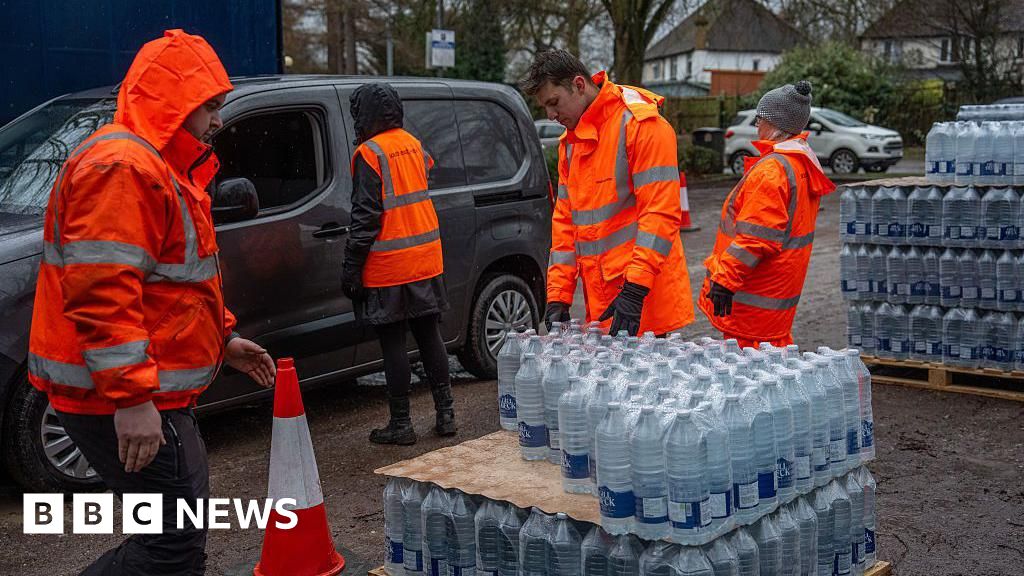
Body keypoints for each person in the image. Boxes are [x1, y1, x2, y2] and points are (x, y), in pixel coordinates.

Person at [27, 30, 275, 575]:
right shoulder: (125, 167)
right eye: (209, 106)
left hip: (136, 390)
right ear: (173, 102)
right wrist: (132, 400)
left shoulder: (154, 166)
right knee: (171, 548)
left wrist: (223, 338)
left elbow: (173, 285)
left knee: (173, 541)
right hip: (123, 395)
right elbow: (103, 293)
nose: (216, 121)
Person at [520, 49, 693, 337]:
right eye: (545, 108)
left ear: (578, 85)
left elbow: (660, 214)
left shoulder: (641, 126)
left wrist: (635, 289)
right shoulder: (571, 143)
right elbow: (565, 223)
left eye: (554, 103)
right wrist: (558, 296)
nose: (551, 115)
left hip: (645, 300)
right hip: (606, 302)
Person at [342, 83, 455, 446]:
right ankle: (446, 415)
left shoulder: (369, 153)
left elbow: (365, 218)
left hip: (390, 264)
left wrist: (351, 267)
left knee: (393, 342)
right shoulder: (413, 144)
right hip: (426, 258)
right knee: (429, 335)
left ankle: (402, 424)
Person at [699, 80, 837, 349]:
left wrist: (724, 280)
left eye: (759, 119)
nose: (756, 126)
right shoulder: (800, 164)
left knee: (751, 374)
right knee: (774, 365)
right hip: (775, 297)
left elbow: (756, 239)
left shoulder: (772, 171)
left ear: (775, 124)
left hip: (753, 300)